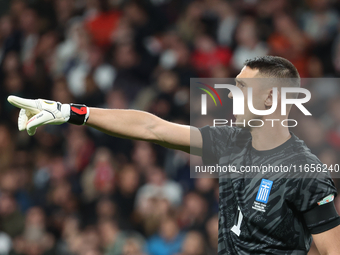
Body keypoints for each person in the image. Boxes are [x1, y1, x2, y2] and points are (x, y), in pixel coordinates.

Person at [8, 56, 340, 254]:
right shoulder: (231, 140)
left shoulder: (304, 169)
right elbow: (153, 128)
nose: (230, 94)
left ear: (269, 100)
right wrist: (72, 112)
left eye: (241, 89)